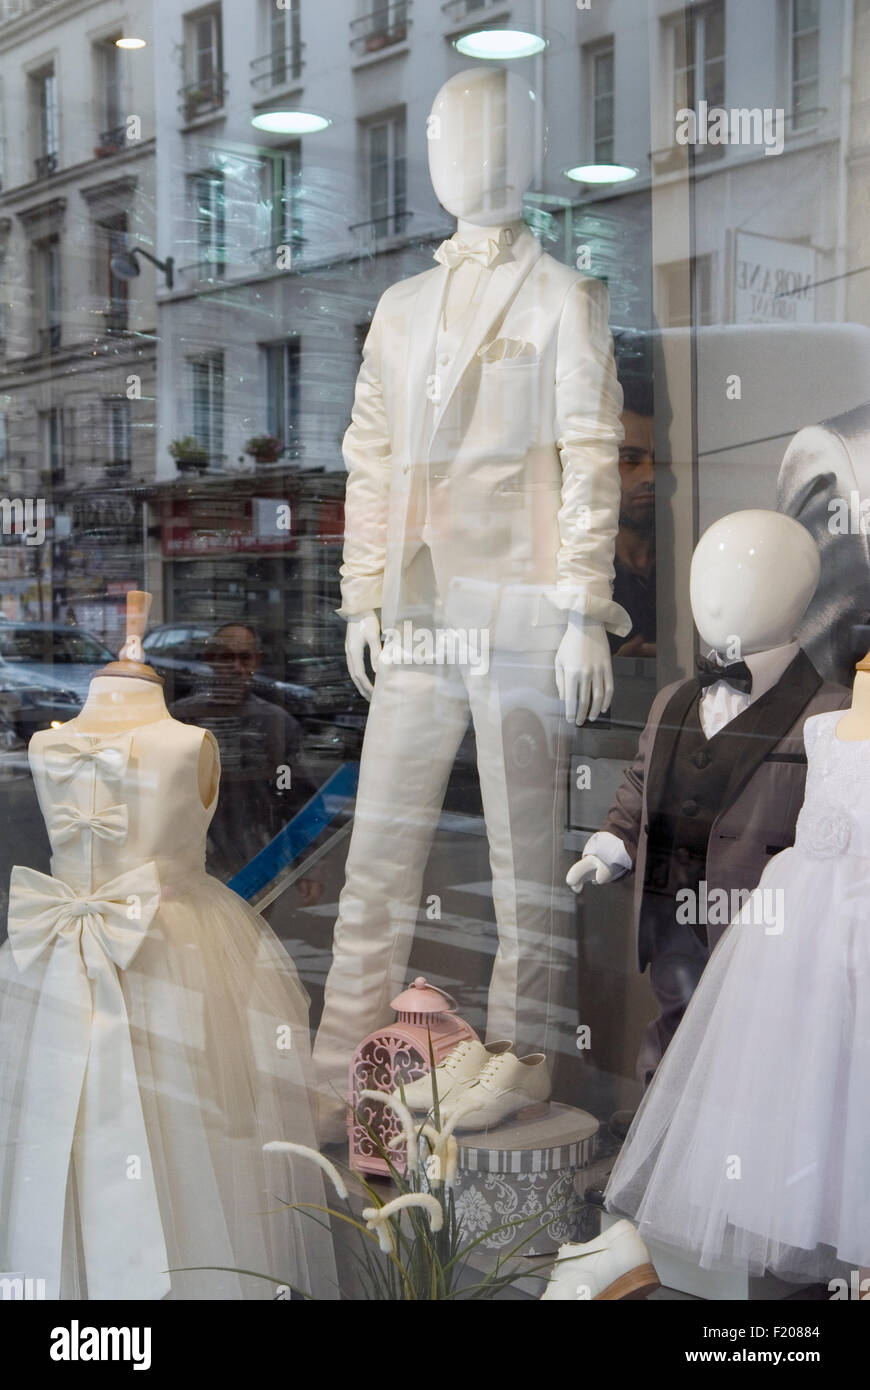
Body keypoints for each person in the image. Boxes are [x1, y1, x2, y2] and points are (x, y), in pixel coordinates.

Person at [171, 622, 322, 902]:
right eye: (227, 657)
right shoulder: (180, 720)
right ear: (210, 660)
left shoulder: (277, 723)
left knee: (250, 941)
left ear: (257, 661)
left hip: (256, 862)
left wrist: (307, 864)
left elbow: (298, 800)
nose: (237, 667)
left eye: (245, 658)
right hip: (190, 863)